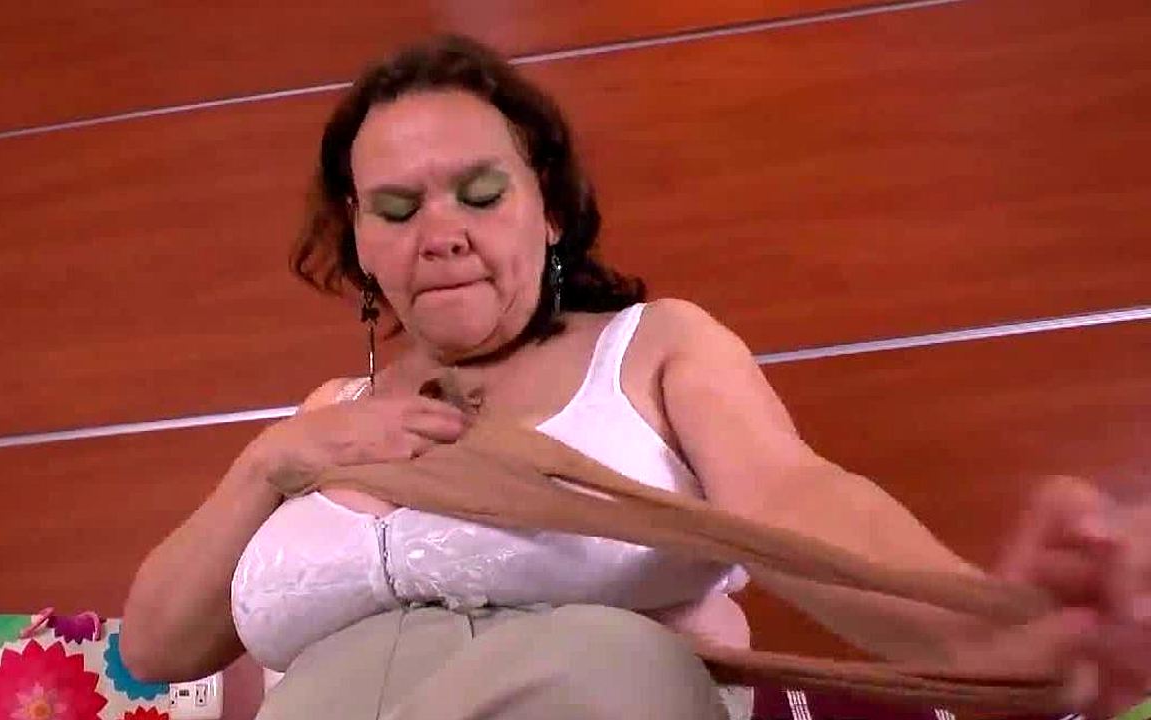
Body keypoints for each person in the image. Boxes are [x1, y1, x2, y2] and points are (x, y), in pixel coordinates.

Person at [120, 35, 1149, 720]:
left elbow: (793, 499)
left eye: (479, 193)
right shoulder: (323, 417)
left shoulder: (654, 348)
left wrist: (994, 628)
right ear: (359, 238)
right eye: (396, 209)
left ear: (547, 208)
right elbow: (158, 648)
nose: (440, 233)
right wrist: (269, 461)